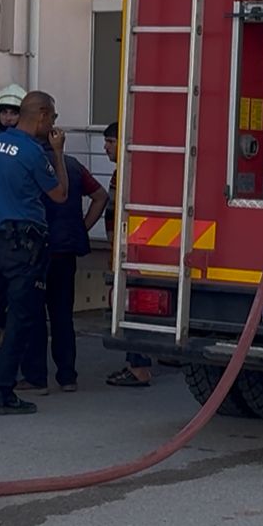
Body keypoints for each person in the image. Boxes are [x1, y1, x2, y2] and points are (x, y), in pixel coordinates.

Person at [0, 91, 68, 415]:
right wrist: (58, 153)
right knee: (20, 319)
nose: (53, 125)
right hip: (25, 247)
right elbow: (59, 194)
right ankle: (2, 393)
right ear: (43, 115)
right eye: (53, 118)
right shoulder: (34, 153)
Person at [18, 146, 108, 393]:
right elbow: (101, 196)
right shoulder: (73, 165)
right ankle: (67, 376)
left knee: (34, 315)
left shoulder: (26, 163)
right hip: (65, 250)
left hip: (35, 250)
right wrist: (81, 228)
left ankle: (36, 377)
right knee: (62, 315)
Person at [101, 122, 153, 387]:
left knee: (131, 306)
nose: (105, 147)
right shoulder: (130, 172)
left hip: (130, 250)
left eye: (111, 142)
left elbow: (118, 215)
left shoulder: (127, 175)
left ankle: (138, 367)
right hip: (131, 248)